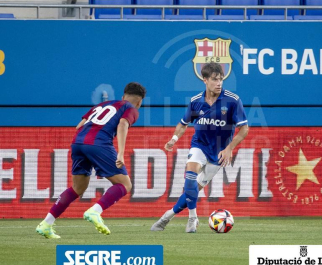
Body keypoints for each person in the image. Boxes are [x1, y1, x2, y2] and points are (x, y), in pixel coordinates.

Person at [36, 82, 146, 239]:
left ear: (123, 96)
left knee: (77, 188)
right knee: (125, 184)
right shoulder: (131, 109)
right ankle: (96, 210)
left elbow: (79, 126)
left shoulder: (102, 104)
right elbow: (122, 124)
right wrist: (121, 152)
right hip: (98, 144)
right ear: (140, 101)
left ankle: (46, 224)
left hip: (77, 143)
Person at [151, 62, 249, 233]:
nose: (219, 83)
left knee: (194, 190)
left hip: (218, 153)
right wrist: (174, 138)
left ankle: (167, 216)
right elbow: (183, 124)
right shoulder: (196, 102)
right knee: (189, 178)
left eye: (221, 79)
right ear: (205, 80)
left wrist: (229, 148)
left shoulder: (232, 100)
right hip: (199, 146)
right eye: (214, 79)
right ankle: (192, 218)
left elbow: (244, 129)